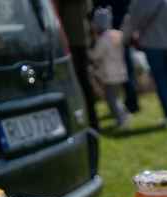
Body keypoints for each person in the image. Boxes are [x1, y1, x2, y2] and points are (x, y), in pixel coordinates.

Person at [123, 0, 167, 125]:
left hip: (153, 46)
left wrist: (125, 40)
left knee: (161, 81)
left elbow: (132, 23)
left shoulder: (140, 3)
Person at [56, 0, 99, 131]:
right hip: (80, 39)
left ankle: (88, 121)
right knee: (84, 82)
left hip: (70, 40)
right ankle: (92, 121)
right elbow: (88, 11)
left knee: (78, 82)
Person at [90, 8, 130, 128]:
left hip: (109, 74)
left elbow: (96, 55)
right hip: (121, 71)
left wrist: (88, 52)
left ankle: (122, 120)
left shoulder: (103, 39)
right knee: (116, 97)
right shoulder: (118, 34)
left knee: (111, 99)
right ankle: (124, 115)